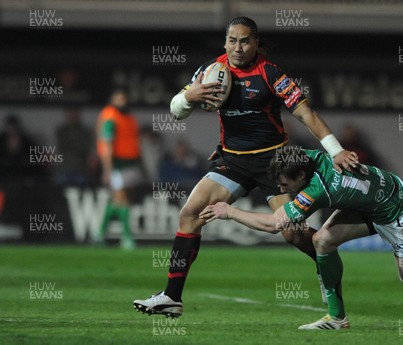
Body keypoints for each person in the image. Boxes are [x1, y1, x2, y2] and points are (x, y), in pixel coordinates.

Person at [133, 16, 359, 317]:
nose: (237, 47)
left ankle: (322, 260)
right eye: (232, 40)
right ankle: (171, 298)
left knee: (291, 234)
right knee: (190, 213)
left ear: (255, 43)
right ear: (225, 42)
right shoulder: (211, 71)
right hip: (233, 161)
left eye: (245, 41)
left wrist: (336, 151)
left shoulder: (271, 73)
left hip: (272, 163)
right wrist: (189, 96)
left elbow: (306, 114)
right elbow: (176, 111)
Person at [200, 146, 403, 330]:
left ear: (300, 178)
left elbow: (273, 225)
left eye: (285, 185)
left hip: (402, 215)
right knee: (322, 241)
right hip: (373, 205)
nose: (282, 190)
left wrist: (229, 212)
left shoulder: (319, 189)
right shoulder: (305, 159)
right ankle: (336, 318)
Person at [96, 89, 144, 250]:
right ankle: (127, 237)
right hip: (117, 165)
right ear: (113, 100)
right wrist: (107, 170)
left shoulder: (129, 117)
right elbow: (107, 146)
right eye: (119, 99)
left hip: (131, 164)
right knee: (121, 198)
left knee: (120, 200)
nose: (122, 101)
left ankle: (100, 233)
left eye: (124, 98)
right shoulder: (110, 118)